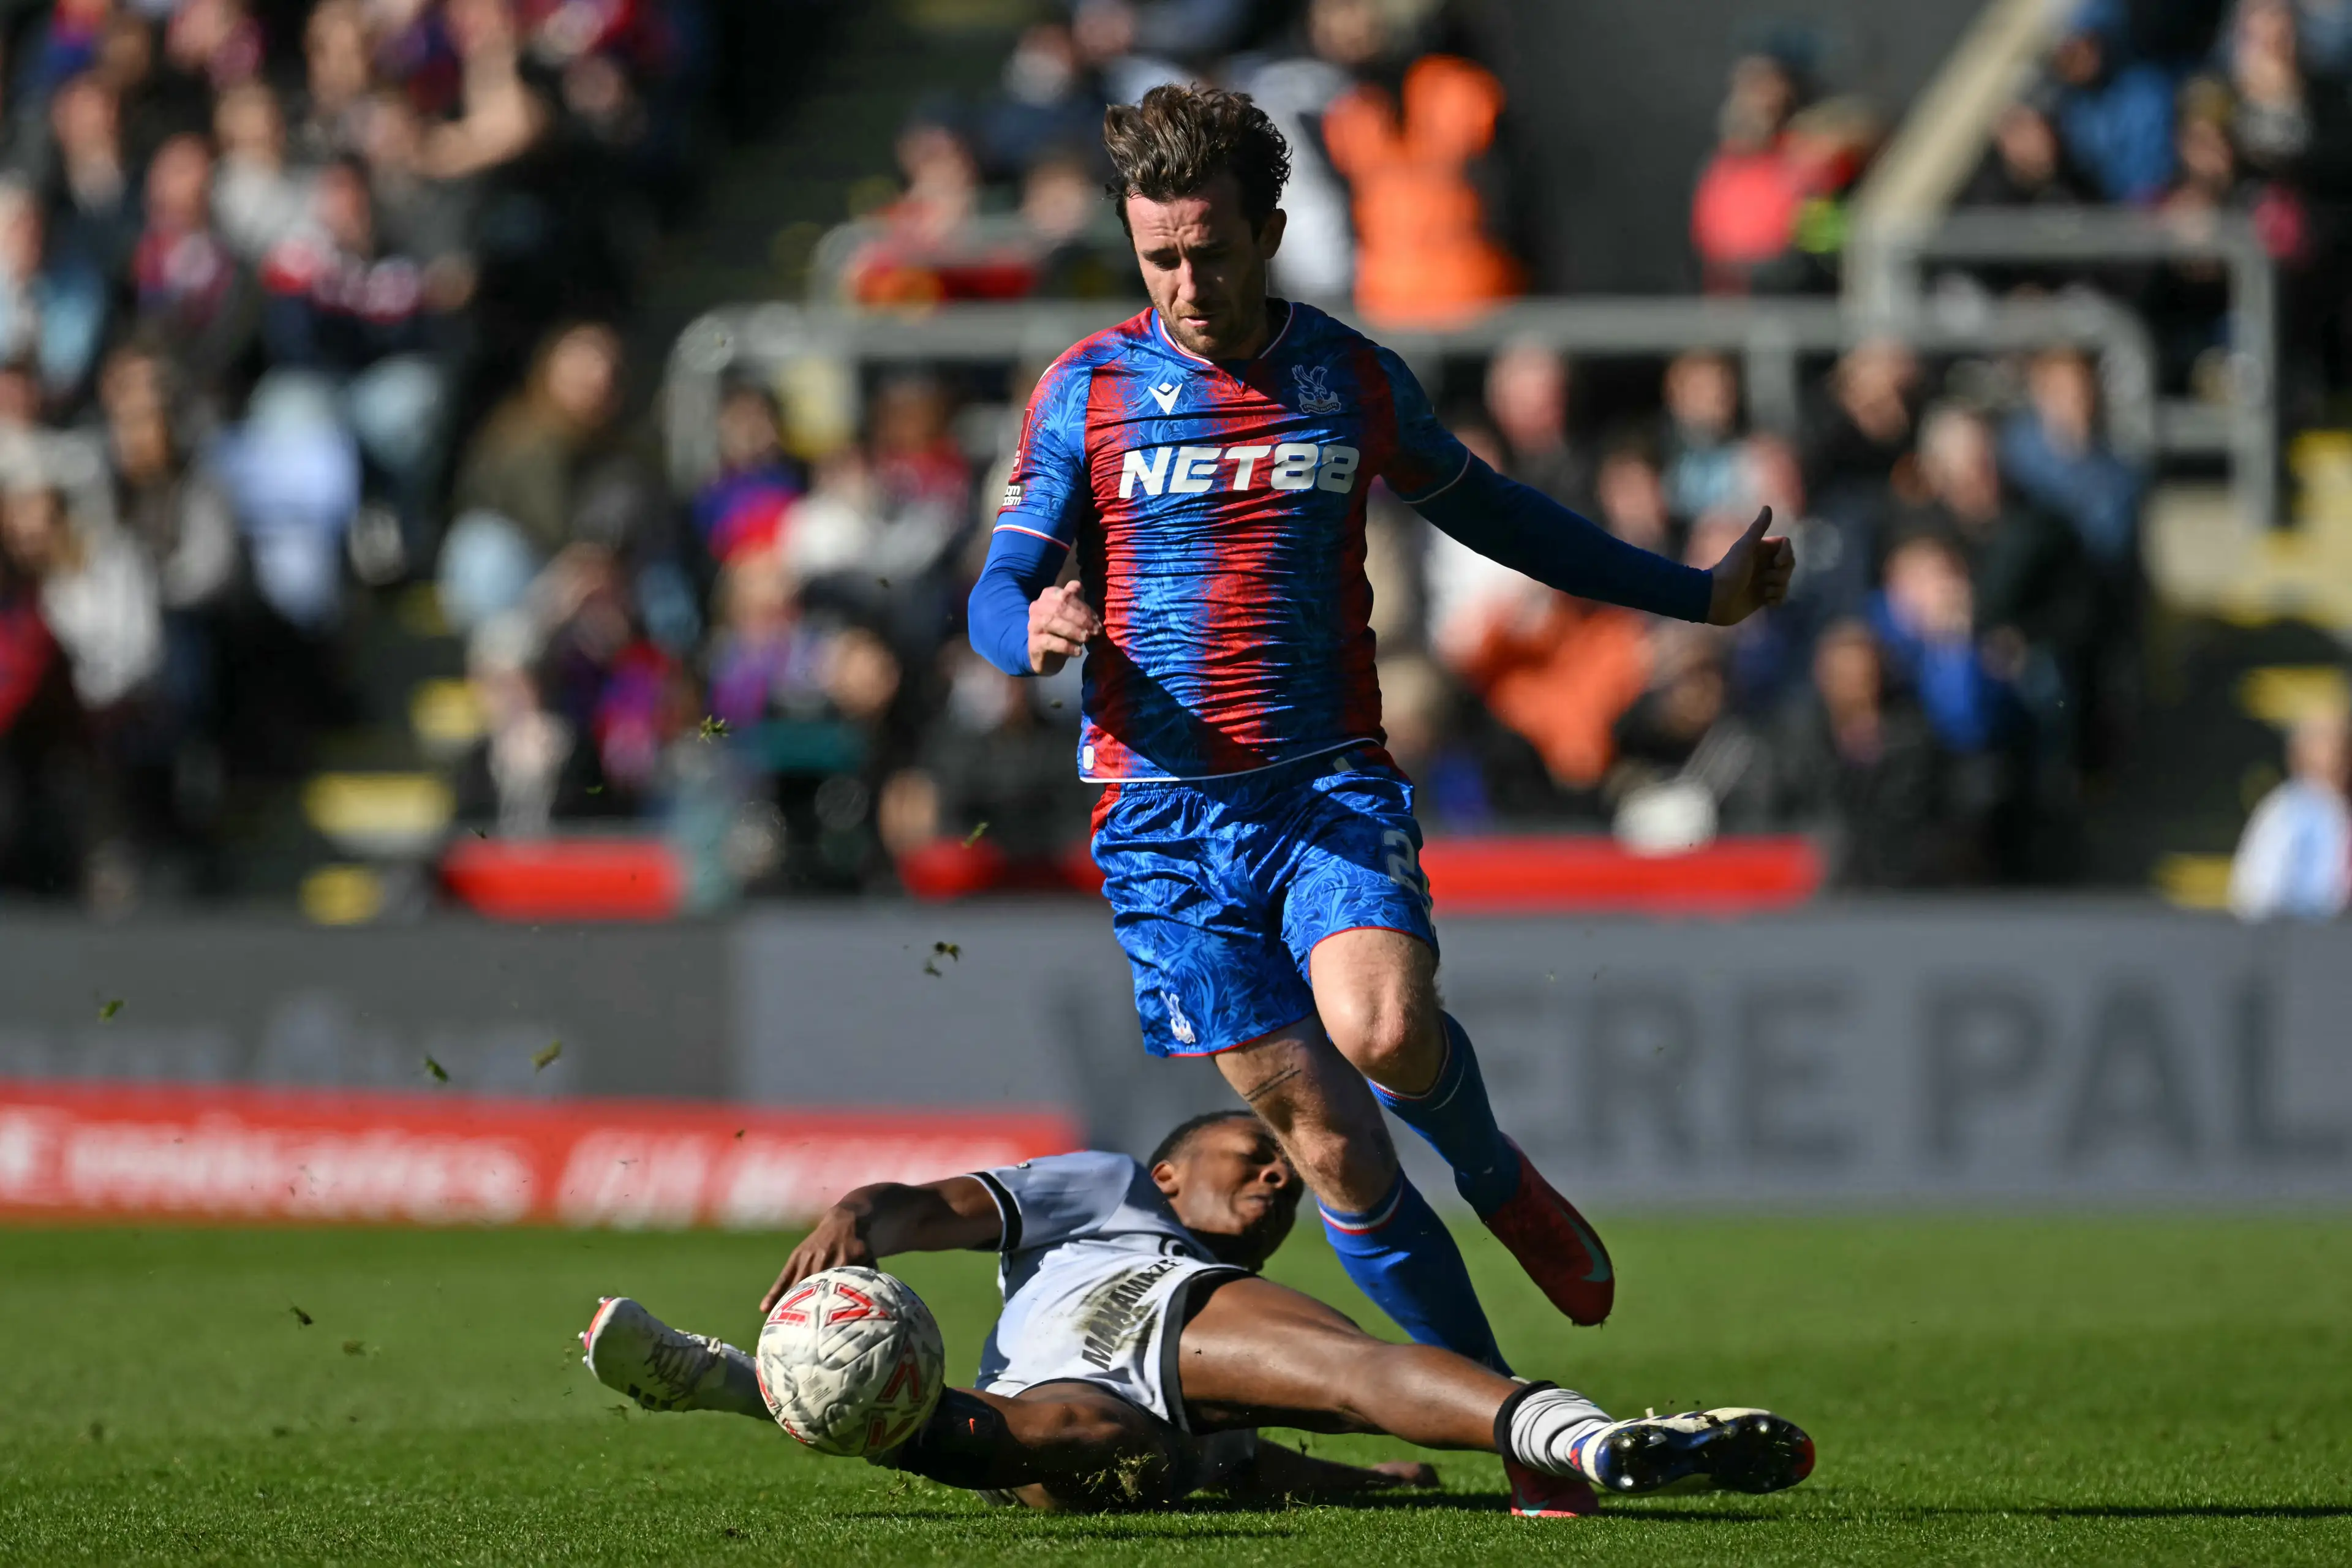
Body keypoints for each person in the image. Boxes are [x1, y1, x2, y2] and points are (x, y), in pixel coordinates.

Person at [962, 84, 1795, 1471]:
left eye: (1209, 251)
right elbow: (997, 578)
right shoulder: (1088, 389)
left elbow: (1497, 512)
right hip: (1157, 817)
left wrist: (1691, 597)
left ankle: (1486, 1165)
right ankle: (1525, 1427)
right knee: (1335, 1150)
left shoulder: (1346, 376)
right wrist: (1029, 626)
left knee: (1386, 1025)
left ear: (1270, 231)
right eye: (1158, 255)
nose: (1185, 282)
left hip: (1320, 780)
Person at [583, 1110, 1817, 1517]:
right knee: (1056, 1454)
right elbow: (940, 1205)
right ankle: (749, 1380)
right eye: (1252, 1149)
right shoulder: (1113, 1185)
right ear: (1170, 1170)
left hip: (1160, 1319)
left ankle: (1590, 1440)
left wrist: (1359, 1487)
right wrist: (866, 1208)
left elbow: (1291, 1427)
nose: (1278, 1171)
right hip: (1080, 1407)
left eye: (1288, 1173)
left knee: (1342, 1372)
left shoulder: (1195, 1262)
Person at [2228, 707, 2350, 920]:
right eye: (2325, 744)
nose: (2337, 755)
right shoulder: (2284, 811)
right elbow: (2255, 891)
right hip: (2295, 938)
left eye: (2342, 746)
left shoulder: (2342, 810)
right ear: (2300, 752)